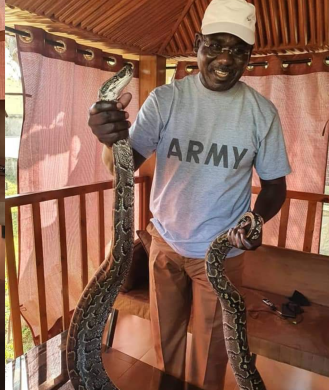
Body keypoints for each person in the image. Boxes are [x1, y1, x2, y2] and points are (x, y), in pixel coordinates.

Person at [88, 0, 289, 388]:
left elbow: (275, 186)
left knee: (211, 354)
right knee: (166, 345)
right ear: (198, 43)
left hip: (220, 254)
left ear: (249, 55)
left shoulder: (261, 113)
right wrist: (108, 139)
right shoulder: (167, 100)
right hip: (164, 244)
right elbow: (121, 168)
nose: (225, 59)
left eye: (238, 49)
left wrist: (255, 219)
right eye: (216, 44)